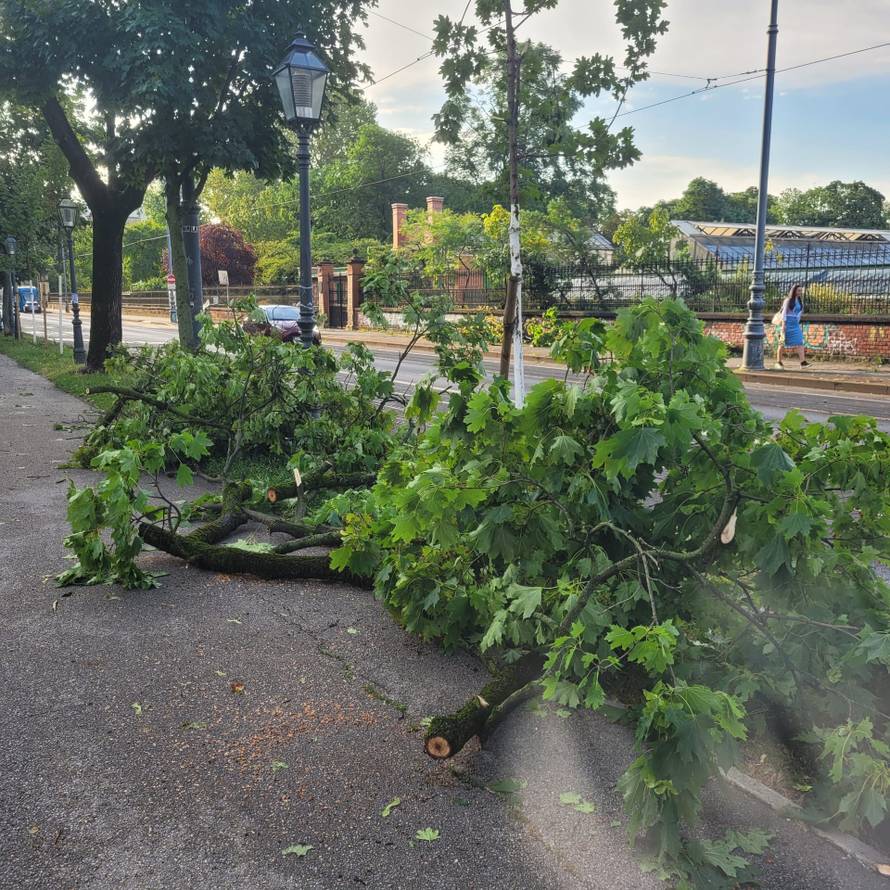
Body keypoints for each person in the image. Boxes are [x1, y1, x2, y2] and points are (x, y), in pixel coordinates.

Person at [774, 284, 809, 369]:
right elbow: (784, 313)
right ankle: (778, 362)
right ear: (794, 291)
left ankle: (803, 362)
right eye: (799, 290)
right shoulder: (788, 300)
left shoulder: (800, 301)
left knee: (800, 342)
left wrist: (797, 322)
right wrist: (783, 325)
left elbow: (799, 314)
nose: (800, 292)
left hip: (795, 324)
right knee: (782, 343)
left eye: (801, 290)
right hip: (787, 323)